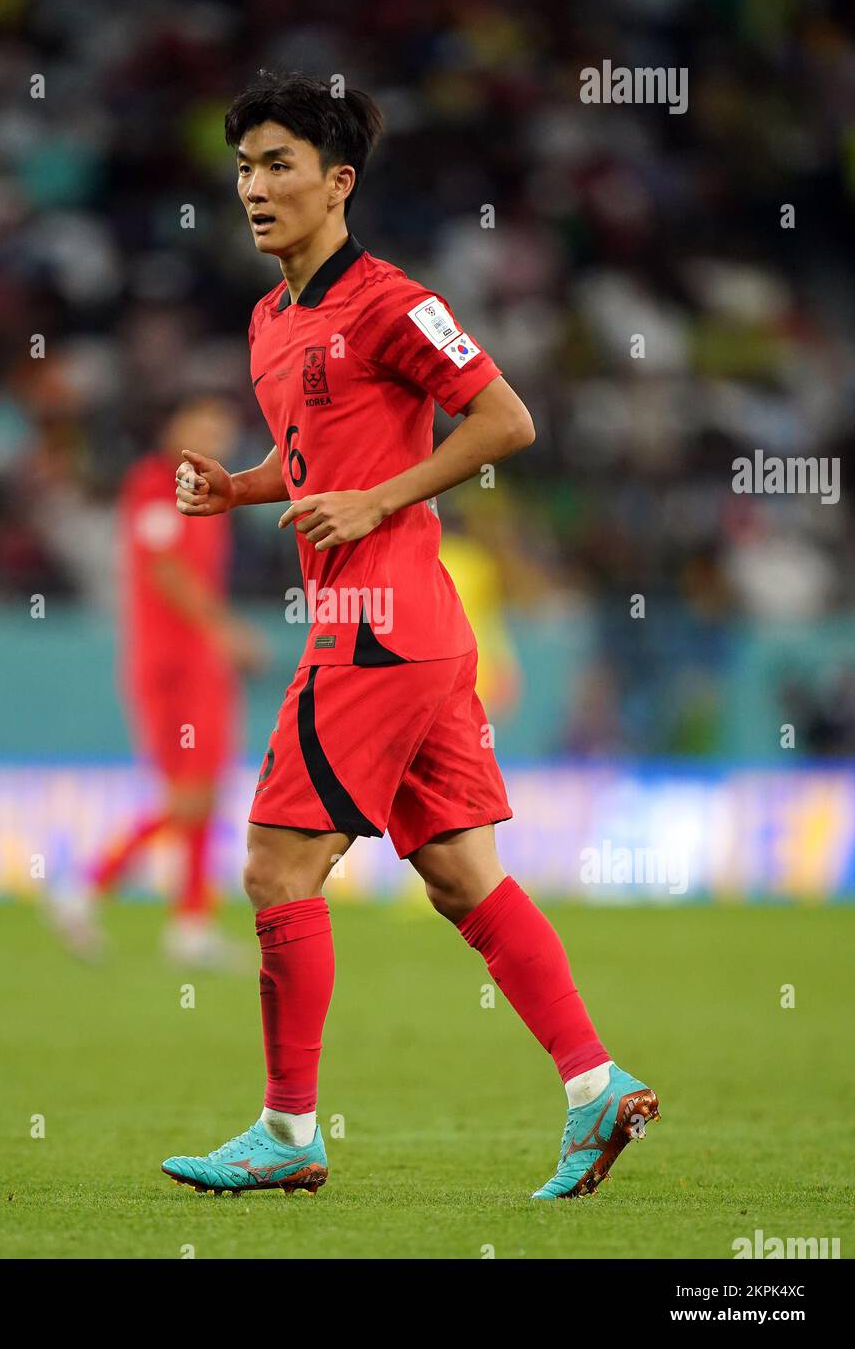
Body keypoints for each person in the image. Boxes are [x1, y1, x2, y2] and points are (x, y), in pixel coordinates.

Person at [160, 72, 659, 1198]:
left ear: (339, 183)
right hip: (409, 631)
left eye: (279, 163)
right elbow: (316, 468)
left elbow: (507, 418)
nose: (255, 186)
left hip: (374, 624)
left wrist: (383, 501)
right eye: (244, 167)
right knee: (460, 873)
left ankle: (288, 1133)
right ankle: (596, 1087)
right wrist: (236, 489)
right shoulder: (270, 318)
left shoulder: (392, 301)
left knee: (278, 864)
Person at [50, 392, 265, 968]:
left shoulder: (213, 493)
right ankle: (88, 886)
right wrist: (227, 632)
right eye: (202, 423)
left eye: (221, 428)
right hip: (170, 662)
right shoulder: (154, 483)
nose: (213, 436)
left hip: (199, 662)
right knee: (188, 795)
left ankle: (189, 924)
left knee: (206, 792)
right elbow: (166, 569)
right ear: (175, 425)